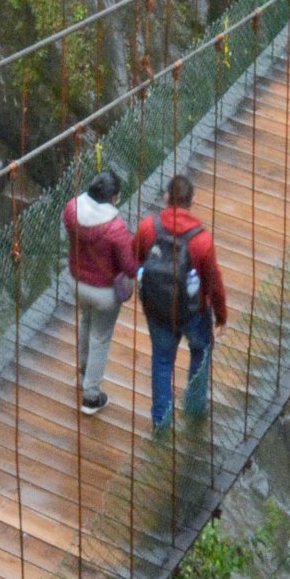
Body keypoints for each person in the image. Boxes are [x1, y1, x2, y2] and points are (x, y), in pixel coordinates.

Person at [133, 172, 228, 432]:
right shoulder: (201, 240)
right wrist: (221, 315)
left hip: (157, 311)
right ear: (192, 201)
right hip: (193, 313)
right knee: (200, 352)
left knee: (162, 361)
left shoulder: (148, 227)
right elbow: (213, 281)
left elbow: (136, 257)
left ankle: (161, 423)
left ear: (166, 197)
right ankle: (195, 408)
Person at [63, 167, 134, 412]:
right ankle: (91, 396)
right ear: (113, 197)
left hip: (76, 283)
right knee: (100, 338)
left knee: (85, 320)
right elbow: (130, 267)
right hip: (104, 292)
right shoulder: (116, 228)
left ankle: (83, 373)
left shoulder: (71, 209)